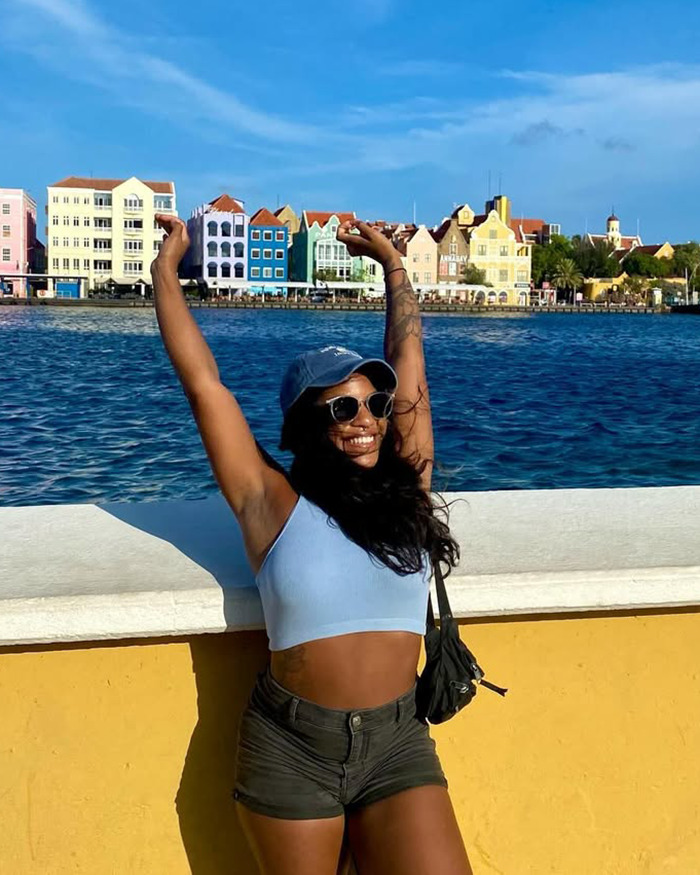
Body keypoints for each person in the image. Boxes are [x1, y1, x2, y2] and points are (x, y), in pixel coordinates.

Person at [151, 215, 473, 875]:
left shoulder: (407, 489)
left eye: (372, 405)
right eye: (340, 408)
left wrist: (393, 266)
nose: (365, 421)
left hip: (397, 743)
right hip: (292, 747)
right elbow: (205, 384)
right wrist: (166, 273)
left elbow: (409, 367)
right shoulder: (270, 503)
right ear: (304, 424)